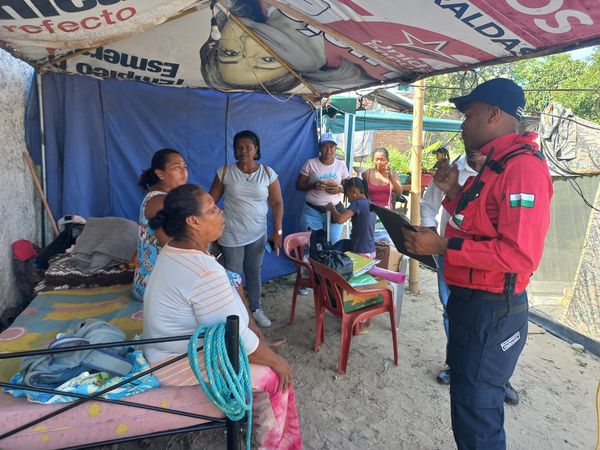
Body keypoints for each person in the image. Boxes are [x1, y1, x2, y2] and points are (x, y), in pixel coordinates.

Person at [404, 78, 553, 449]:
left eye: (468, 115)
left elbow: (519, 254)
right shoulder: (495, 165)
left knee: (477, 418)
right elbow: (478, 225)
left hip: (492, 312)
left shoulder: (522, 168)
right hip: (471, 305)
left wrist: (442, 245)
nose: (463, 124)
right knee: (467, 404)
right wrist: (453, 192)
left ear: (493, 114)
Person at [143, 184, 301, 449]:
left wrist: (259, 342)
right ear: (193, 221)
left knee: (263, 357)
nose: (221, 212)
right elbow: (236, 339)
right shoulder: (201, 269)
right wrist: (277, 362)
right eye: (212, 209)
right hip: (177, 365)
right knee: (275, 378)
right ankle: (272, 445)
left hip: (165, 353)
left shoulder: (175, 249)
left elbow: (229, 323)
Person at [420, 153, 520, 404]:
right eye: (466, 134)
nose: (472, 141)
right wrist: (433, 240)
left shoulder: (508, 170)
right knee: (452, 311)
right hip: (451, 256)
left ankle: (499, 377)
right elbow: (428, 205)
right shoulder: (454, 169)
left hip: (493, 264)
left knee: (497, 319)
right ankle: (457, 365)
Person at [209, 130, 283, 328]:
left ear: (256, 149)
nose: (243, 151)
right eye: (239, 147)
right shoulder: (225, 172)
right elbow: (210, 201)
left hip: (258, 235)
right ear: (234, 150)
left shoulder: (267, 173)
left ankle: (255, 309)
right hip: (231, 234)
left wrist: (277, 232)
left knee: (253, 271)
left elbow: (277, 203)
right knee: (233, 275)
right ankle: (234, 313)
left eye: (248, 147)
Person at [132, 148, 188, 302]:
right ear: (160, 173)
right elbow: (173, 246)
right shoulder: (158, 201)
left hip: (159, 281)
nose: (183, 171)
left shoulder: (164, 198)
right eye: (177, 167)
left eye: (185, 167)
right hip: (152, 286)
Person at [296, 132, 349, 243]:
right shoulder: (310, 163)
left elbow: (350, 188)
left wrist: (339, 189)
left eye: (331, 147)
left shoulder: (341, 165)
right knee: (312, 245)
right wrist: (313, 185)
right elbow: (298, 185)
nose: (328, 150)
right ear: (319, 148)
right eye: (325, 146)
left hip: (335, 212)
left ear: (336, 148)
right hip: (312, 212)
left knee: (333, 244)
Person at [327, 177, 376, 258]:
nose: (349, 200)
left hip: (360, 251)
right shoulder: (370, 204)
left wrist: (332, 208)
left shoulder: (357, 204)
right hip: (371, 250)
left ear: (353, 192)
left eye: (348, 196)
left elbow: (340, 220)